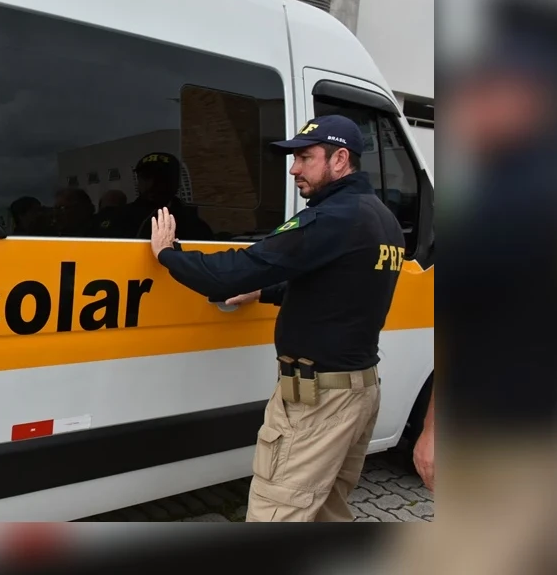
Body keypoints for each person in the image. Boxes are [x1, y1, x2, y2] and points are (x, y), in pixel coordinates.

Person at [148, 115, 404, 522]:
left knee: (276, 513)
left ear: (340, 159)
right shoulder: (381, 218)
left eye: (304, 157)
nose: (293, 169)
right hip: (359, 391)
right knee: (326, 512)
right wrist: (265, 292)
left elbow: (237, 268)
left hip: (319, 401)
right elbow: (338, 288)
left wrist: (168, 254)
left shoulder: (331, 218)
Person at [93, 152, 213, 240]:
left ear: (175, 182)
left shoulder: (193, 225)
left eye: (161, 178)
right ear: (138, 180)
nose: (152, 184)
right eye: (146, 177)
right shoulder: (115, 218)